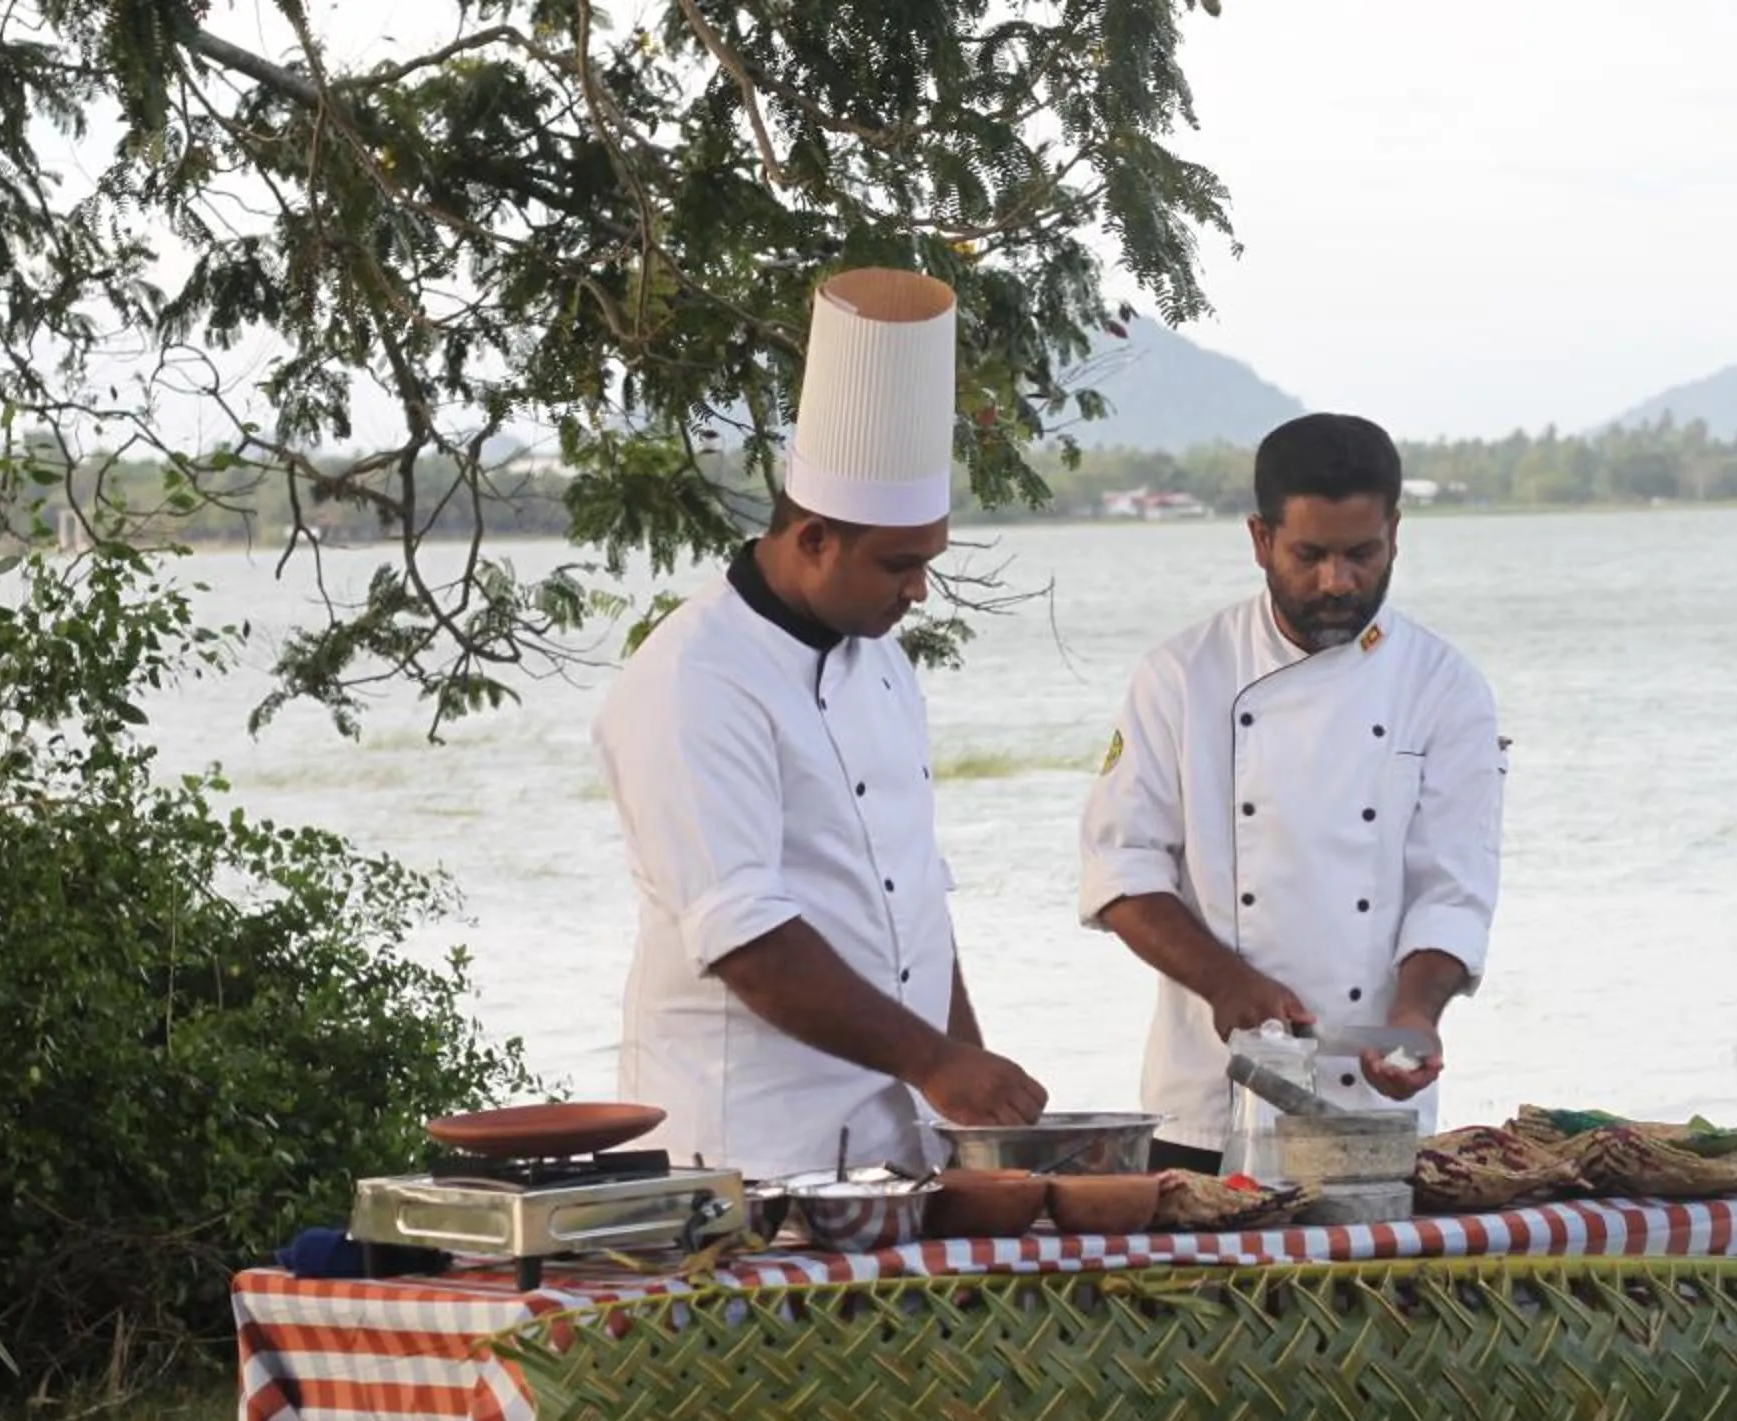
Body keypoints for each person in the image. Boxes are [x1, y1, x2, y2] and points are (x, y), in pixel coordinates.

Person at [593, 269, 1046, 1177]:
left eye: (928, 562)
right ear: (812, 540)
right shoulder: (694, 678)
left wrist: (971, 1101)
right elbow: (747, 940)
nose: (919, 591)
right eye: (899, 565)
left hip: (901, 1144)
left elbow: (915, 898)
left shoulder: (883, 663)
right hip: (748, 1152)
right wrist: (935, 1062)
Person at [1078, 413, 1505, 1172]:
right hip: (1205, 1103)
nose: (1338, 582)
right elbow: (1121, 869)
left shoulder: (1444, 688)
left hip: (1374, 1108)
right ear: (1260, 538)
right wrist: (1225, 982)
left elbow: (1453, 886)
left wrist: (1415, 1014)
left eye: (1361, 554)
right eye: (1310, 555)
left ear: (1395, 535)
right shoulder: (1182, 676)